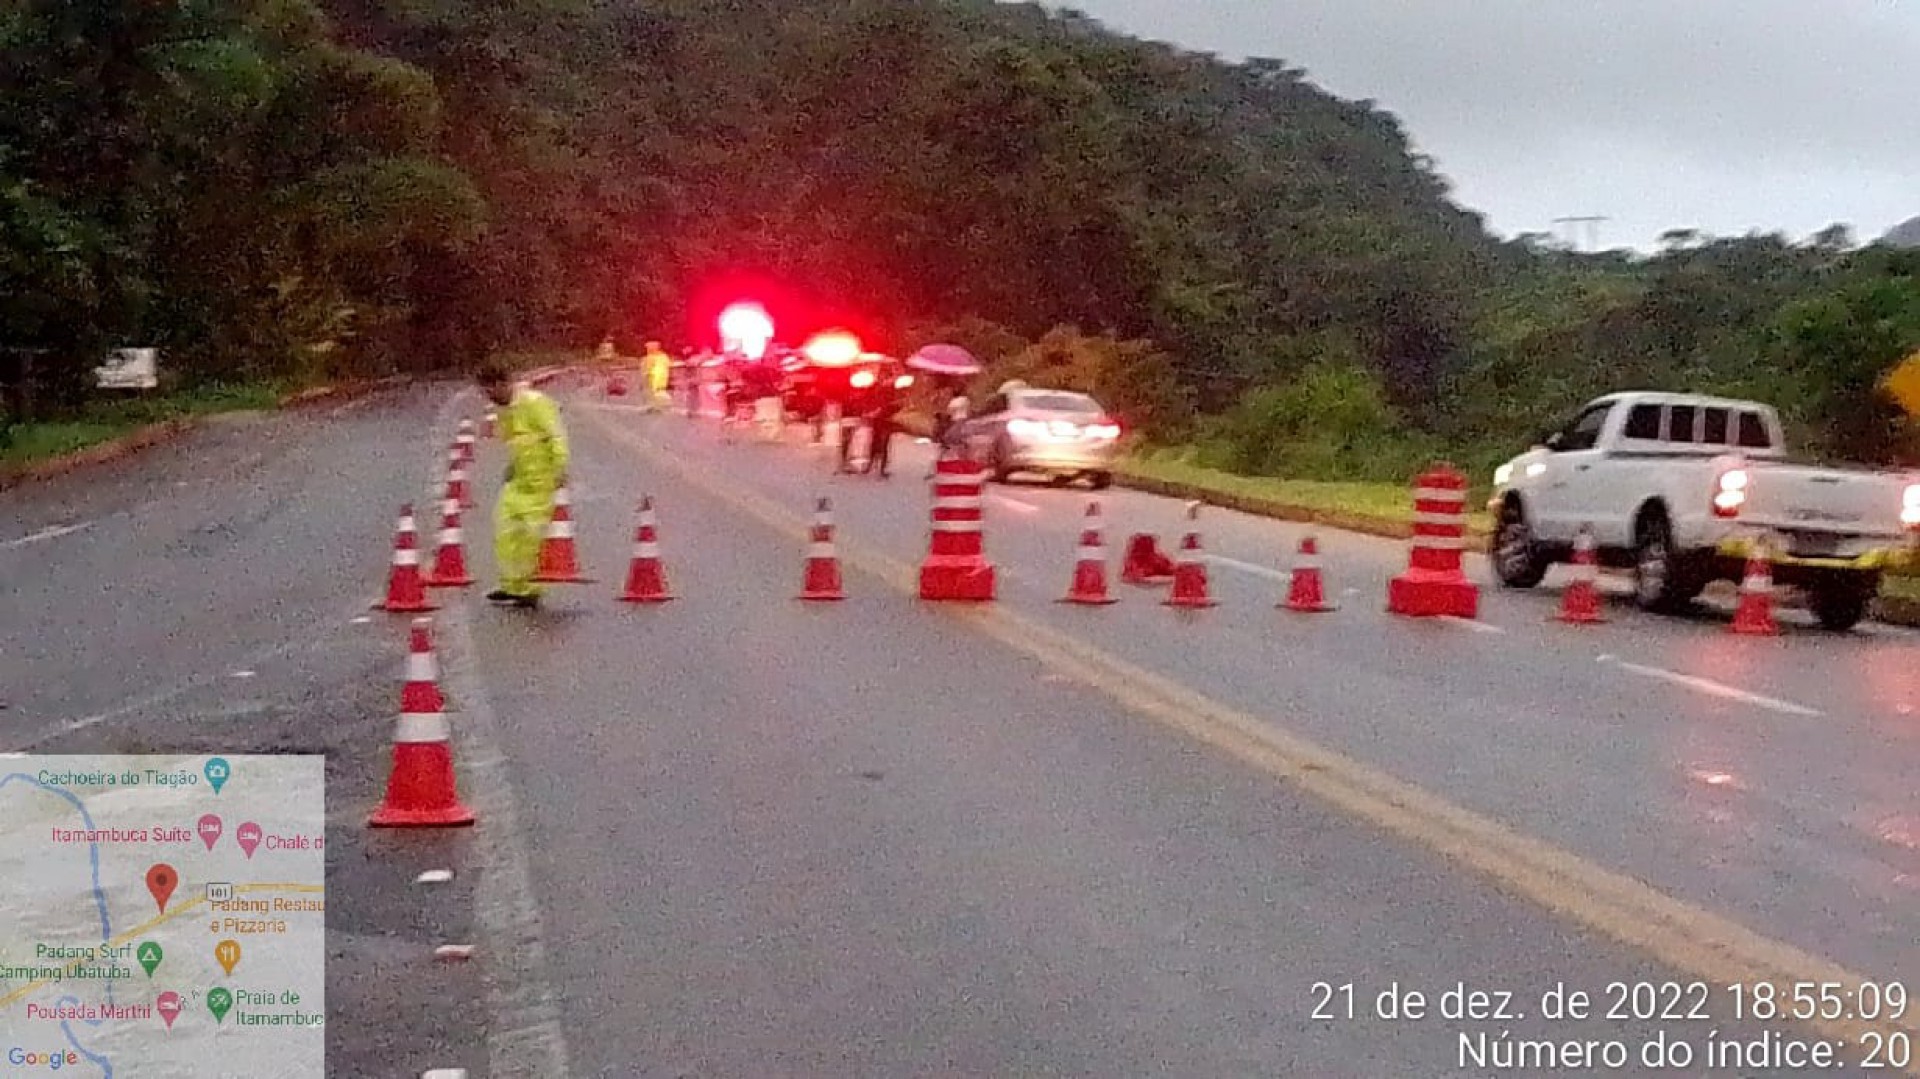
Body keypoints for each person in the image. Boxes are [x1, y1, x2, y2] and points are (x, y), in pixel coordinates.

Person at [477, 364, 569, 609]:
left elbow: (556, 435)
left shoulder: (534, 403)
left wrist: (560, 468)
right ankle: (512, 585)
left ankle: (529, 589)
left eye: (489, 391)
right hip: (518, 480)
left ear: (502, 384)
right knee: (505, 532)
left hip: (540, 480)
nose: (488, 398)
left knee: (531, 537)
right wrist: (511, 465)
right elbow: (515, 441)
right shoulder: (505, 409)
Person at [642, 341, 672, 412]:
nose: (647, 350)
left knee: (659, 397)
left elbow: (648, 372)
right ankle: (655, 407)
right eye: (647, 348)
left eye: (649, 348)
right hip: (653, 387)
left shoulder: (660, 358)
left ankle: (659, 407)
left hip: (657, 386)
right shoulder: (649, 358)